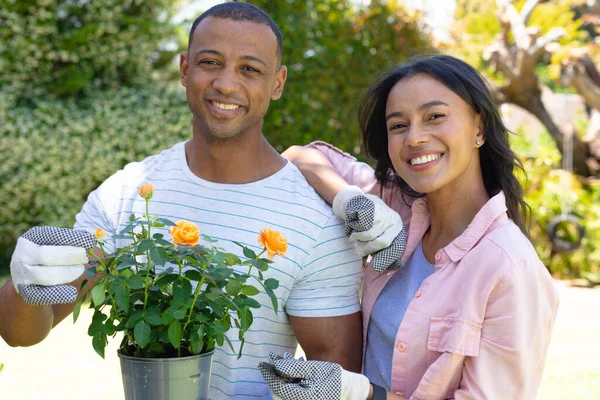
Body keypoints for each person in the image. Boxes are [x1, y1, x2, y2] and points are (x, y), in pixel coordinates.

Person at [0, 3, 365, 399]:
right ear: (184, 69)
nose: (226, 84)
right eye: (210, 62)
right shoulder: (128, 193)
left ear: (277, 83)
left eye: (249, 69)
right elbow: (21, 335)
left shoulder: (314, 220)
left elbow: (336, 375)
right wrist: (25, 286)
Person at [259, 55, 560, 399]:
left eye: (435, 117)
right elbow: (302, 155)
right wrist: (349, 199)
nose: (415, 138)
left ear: (478, 127)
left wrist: (364, 394)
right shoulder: (394, 202)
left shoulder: (510, 269)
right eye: (398, 125)